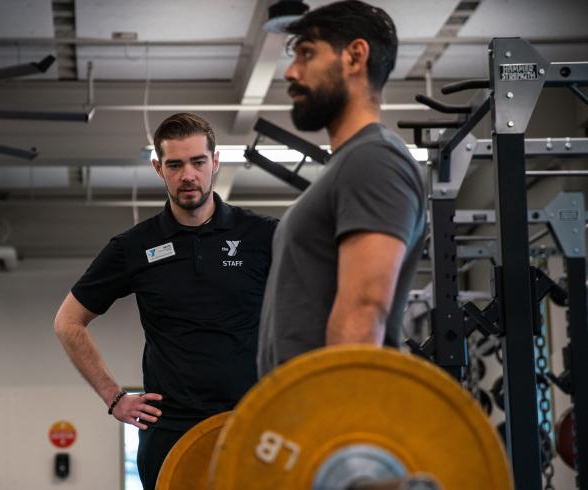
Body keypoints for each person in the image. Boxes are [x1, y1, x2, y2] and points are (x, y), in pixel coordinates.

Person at [54, 112, 277, 489]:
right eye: (175, 164)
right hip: (170, 429)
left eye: (198, 162)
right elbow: (68, 322)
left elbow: (318, 301)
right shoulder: (133, 247)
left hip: (251, 422)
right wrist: (114, 397)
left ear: (216, 162)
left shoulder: (263, 237)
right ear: (159, 168)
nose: (187, 175)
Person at [258, 0, 427, 375]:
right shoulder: (351, 163)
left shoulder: (374, 161)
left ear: (354, 57)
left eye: (306, 53)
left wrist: (334, 424)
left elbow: (365, 310)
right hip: (300, 413)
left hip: (327, 419)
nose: (290, 72)